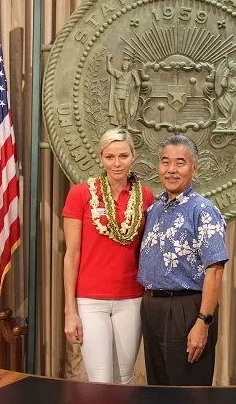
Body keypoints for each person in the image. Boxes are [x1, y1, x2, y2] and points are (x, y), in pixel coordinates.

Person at [62, 128, 155, 384]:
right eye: (110, 156)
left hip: (131, 298)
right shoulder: (81, 194)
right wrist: (71, 311)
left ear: (133, 157)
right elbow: (71, 255)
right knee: (100, 382)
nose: (117, 163)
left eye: (123, 156)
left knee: (125, 379)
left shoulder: (145, 196)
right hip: (91, 300)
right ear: (101, 157)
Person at [137, 134, 229, 386]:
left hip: (186, 309)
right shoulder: (154, 210)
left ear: (194, 168)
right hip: (152, 306)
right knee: (158, 388)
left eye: (180, 163)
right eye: (165, 162)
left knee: (188, 389)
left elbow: (215, 271)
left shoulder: (203, 210)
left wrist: (203, 321)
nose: (171, 170)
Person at [107, 53, 141, 128]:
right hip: (117, 93)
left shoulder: (131, 74)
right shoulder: (118, 73)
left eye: (126, 65)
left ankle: (128, 125)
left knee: (126, 110)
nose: (125, 67)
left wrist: (135, 76)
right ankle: (121, 124)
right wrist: (108, 60)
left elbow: (138, 84)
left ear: (128, 66)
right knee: (118, 110)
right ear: (122, 66)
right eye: (124, 65)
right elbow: (109, 70)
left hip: (126, 93)